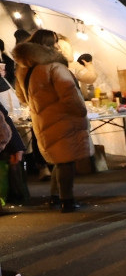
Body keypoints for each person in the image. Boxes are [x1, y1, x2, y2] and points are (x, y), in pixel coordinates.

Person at [12, 29, 92, 212]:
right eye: (55, 42)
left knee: (60, 160)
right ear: (48, 45)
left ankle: (55, 197)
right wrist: (81, 111)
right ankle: (67, 200)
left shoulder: (24, 69)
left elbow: (22, 98)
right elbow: (70, 95)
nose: (58, 46)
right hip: (62, 120)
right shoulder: (55, 67)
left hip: (42, 120)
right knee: (66, 162)